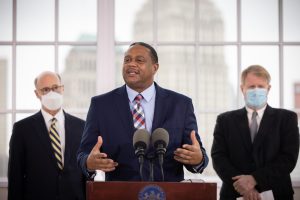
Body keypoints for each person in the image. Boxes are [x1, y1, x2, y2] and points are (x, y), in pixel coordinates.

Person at [77, 42, 208, 182]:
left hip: (168, 194)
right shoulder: (101, 105)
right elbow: (83, 154)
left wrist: (198, 159)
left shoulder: (181, 105)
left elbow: (197, 154)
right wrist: (88, 163)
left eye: (139, 60)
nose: (131, 64)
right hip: (120, 194)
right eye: (127, 60)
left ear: (155, 68)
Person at [211, 65, 300, 200]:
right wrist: (242, 186)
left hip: (276, 193)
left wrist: (254, 179)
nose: (256, 90)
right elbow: (219, 157)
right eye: (251, 87)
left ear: (268, 89)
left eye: (261, 86)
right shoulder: (225, 120)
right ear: (242, 89)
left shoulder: (287, 119)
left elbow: (288, 158)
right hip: (234, 193)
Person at [8, 71, 86, 200]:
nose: (52, 93)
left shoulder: (82, 127)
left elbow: (86, 170)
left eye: (55, 88)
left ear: (62, 89)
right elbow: (15, 175)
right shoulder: (22, 129)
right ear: (37, 94)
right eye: (45, 89)